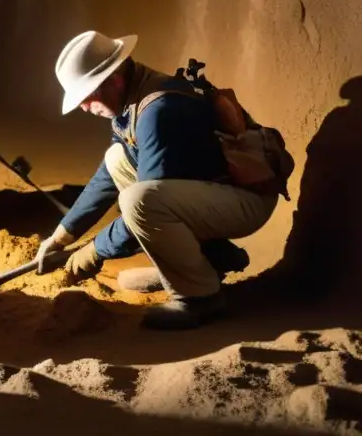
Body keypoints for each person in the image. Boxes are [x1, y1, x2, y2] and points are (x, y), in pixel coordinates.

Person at [36, 31, 279, 330]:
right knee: (116, 160)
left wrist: (95, 251)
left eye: (87, 96)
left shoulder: (159, 111)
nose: (84, 107)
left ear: (114, 78)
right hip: (211, 191)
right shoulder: (131, 99)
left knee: (138, 201)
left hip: (245, 201)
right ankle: (211, 259)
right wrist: (63, 234)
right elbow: (108, 176)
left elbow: (147, 204)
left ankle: (199, 297)